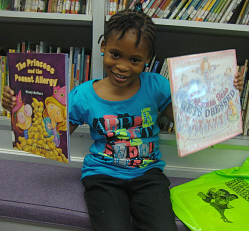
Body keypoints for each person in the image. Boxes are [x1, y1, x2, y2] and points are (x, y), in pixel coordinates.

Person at [1, 6, 244, 231]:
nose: (122, 67)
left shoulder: (157, 86)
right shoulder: (83, 95)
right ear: (103, 46)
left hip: (148, 176)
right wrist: (18, 109)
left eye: (135, 60)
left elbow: (191, 119)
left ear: (148, 59)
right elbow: (54, 134)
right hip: (101, 175)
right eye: (115, 54)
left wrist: (226, 90)